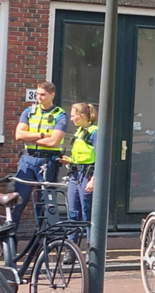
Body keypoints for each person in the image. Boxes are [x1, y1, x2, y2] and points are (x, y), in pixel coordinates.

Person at [11, 81, 68, 234]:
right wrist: (42, 135)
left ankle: (43, 239)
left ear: (52, 94)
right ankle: (10, 240)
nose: (39, 97)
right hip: (27, 160)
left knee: (45, 202)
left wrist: (29, 138)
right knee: (18, 200)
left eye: (43, 94)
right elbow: (18, 135)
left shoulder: (60, 115)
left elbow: (54, 141)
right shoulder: (29, 111)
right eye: (37, 94)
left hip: (46, 161)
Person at [61, 103, 97, 246]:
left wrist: (93, 179)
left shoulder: (94, 132)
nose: (71, 119)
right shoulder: (80, 131)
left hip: (87, 176)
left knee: (87, 212)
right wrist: (69, 161)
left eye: (73, 115)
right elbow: (82, 155)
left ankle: (91, 248)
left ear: (82, 116)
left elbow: (101, 157)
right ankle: (71, 247)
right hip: (75, 175)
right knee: (73, 212)